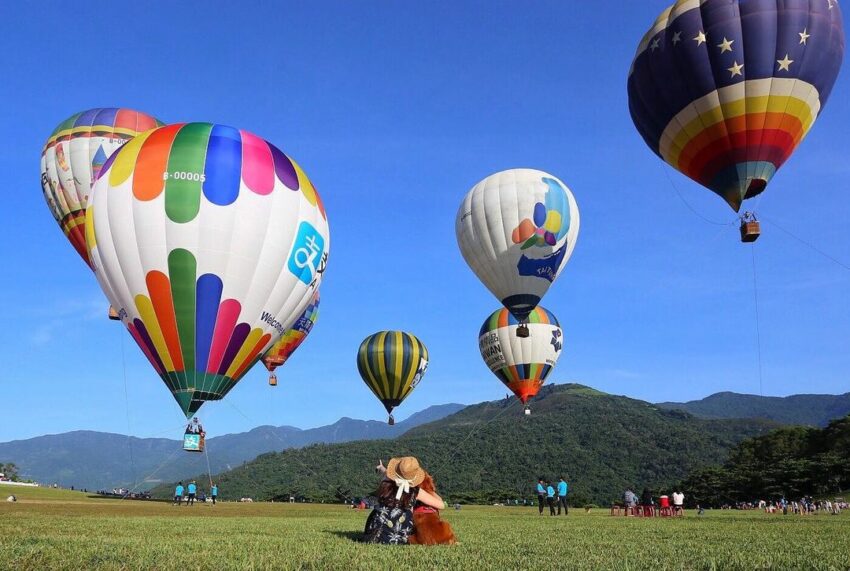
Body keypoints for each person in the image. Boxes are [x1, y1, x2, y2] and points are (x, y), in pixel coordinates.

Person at [363, 456, 445, 545]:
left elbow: (388, 474)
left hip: (371, 535)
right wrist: (429, 490)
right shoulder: (416, 491)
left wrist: (381, 468)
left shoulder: (386, 483)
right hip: (398, 538)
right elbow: (441, 505)